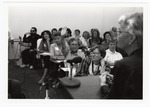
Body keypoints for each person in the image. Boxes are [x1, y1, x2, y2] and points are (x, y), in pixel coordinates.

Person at [99, 12, 143, 99]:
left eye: (120, 32)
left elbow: (112, 100)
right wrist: (118, 79)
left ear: (131, 38)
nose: (117, 37)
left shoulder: (124, 65)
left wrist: (103, 84)